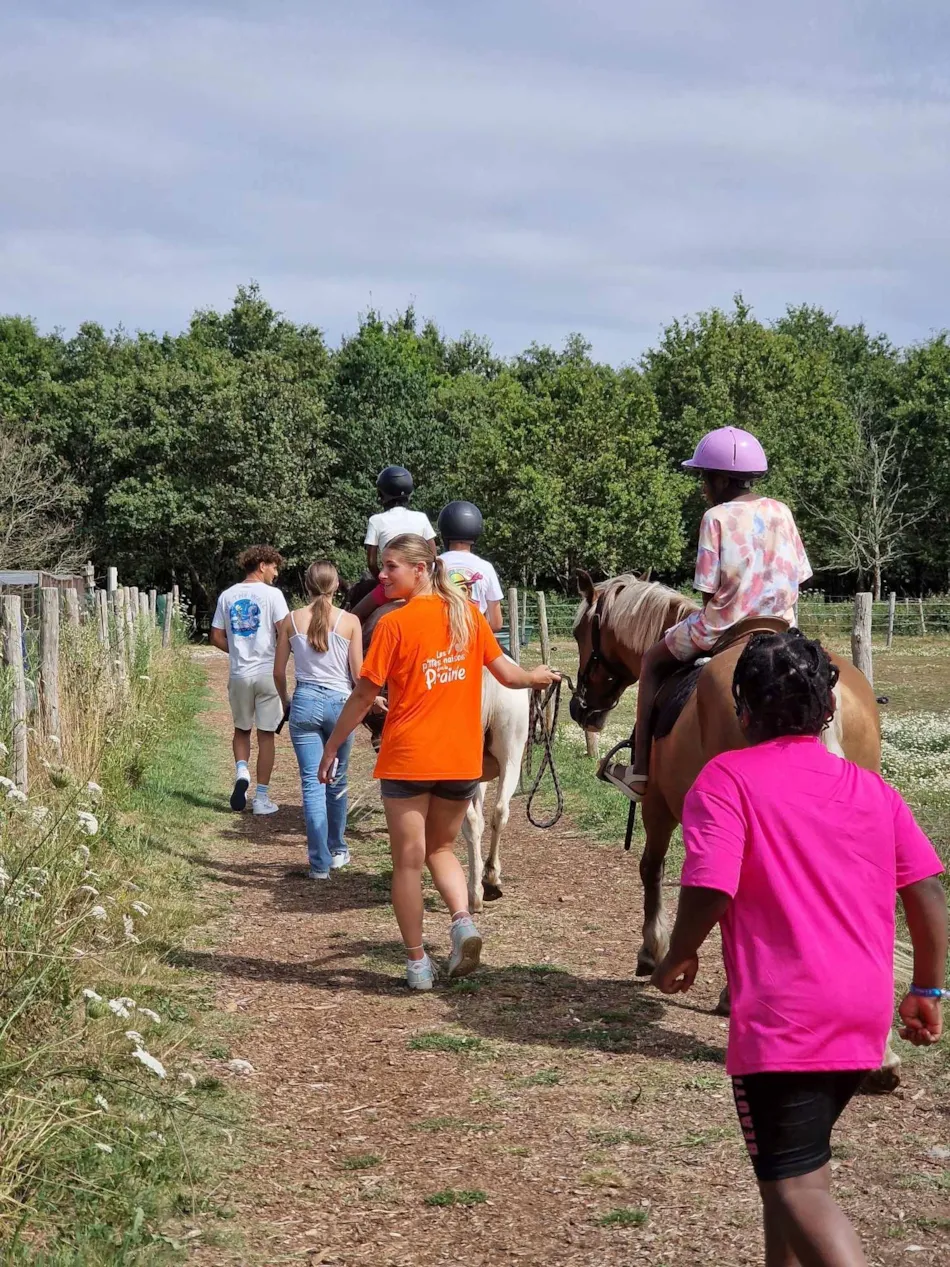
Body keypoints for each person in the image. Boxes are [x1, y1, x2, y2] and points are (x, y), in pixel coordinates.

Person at [652, 630, 946, 1267]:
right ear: (832, 710)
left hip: (785, 1021)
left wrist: (679, 952)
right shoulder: (873, 790)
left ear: (745, 711)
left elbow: (709, 885)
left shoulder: (724, 778)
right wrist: (926, 987)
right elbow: (925, 893)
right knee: (789, 1177)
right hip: (862, 1014)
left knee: (796, 1186)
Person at [316, 533, 558, 990]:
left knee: (408, 863)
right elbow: (506, 674)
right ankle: (463, 922)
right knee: (440, 849)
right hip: (461, 761)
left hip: (409, 759)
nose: (381, 575)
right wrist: (537, 677)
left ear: (421, 569)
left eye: (391, 567)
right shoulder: (468, 615)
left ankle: (417, 965)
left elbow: (366, 693)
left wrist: (333, 746)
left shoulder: (393, 625)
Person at [602, 426, 812, 802]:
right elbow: (799, 575)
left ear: (719, 478)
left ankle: (640, 771)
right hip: (784, 627)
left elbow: (708, 591)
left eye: (703, 477)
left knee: (651, 661)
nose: (702, 486)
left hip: (724, 626)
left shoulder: (715, 517)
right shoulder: (781, 511)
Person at [273, 561, 365, 880]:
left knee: (312, 783)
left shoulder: (290, 621)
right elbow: (357, 675)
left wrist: (286, 700)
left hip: (305, 700)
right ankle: (338, 848)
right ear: (337, 585)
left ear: (306, 584)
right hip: (340, 703)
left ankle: (319, 864)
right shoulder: (350, 621)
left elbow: (277, 672)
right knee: (337, 780)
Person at [210, 546, 290, 816]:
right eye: (274, 567)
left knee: (241, 730)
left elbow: (216, 636)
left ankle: (242, 773)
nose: (276, 573)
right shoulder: (273, 596)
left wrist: (239, 650)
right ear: (262, 565)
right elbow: (284, 632)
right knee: (266, 735)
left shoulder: (227, 595)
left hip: (239, 674)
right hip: (267, 672)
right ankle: (262, 798)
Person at [352, 466, 437, 623]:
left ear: (381, 494)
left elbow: (371, 562)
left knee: (354, 615)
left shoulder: (376, 520)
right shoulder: (421, 517)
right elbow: (433, 556)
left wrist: (385, 581)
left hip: (392, 584)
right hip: (420, 581)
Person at [437, 500, 504, 633]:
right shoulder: (486, 567)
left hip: (439, 637)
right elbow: (496, 624)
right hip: (475, 637)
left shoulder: (433, 565)